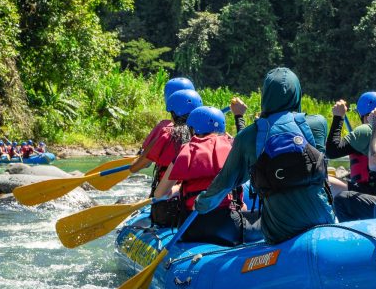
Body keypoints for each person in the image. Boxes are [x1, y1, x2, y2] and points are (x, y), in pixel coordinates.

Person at [194, 67, 334, 244]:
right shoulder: (318, 124)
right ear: (297, 93)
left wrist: (200, 204)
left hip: (280, 231)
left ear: (265, 96)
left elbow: (226, 182)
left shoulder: (248, 136)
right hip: (323, 220)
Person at [150, 106, 249, 245]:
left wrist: (179, 189)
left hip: (191, 228)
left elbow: (160, 194)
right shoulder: (231, 146)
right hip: (226, 226)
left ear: (192, 129)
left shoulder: (185, 150)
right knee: (258, 219)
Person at [326, 91, 376, 222]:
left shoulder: (365, 129)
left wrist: (338, 117)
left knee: (324, 180)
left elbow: (331, 151)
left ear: (361, 112)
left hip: (369, 195)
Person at [136, 89, 202, 226]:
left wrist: (133, 166)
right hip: (197, 210)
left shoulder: (167, 135)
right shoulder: (206, 140)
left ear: (173, 114)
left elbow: (144, 164)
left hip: (166, 209)